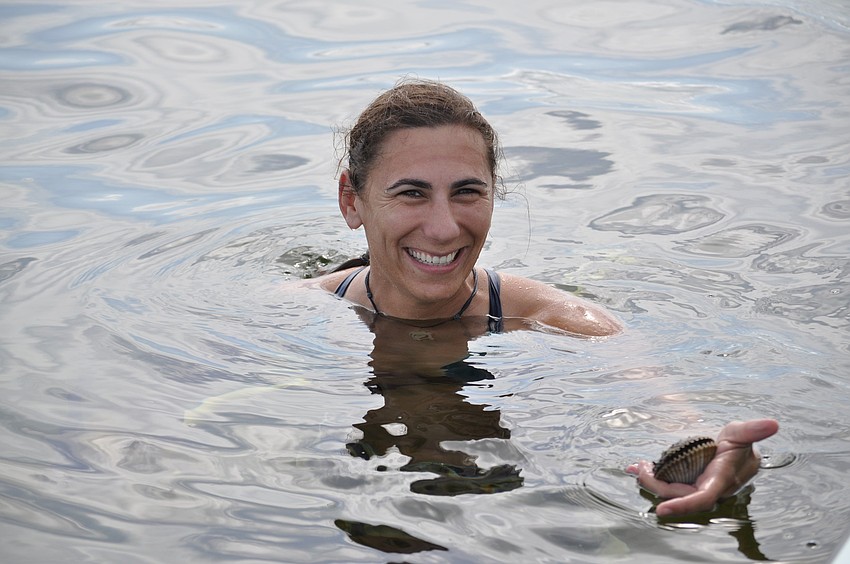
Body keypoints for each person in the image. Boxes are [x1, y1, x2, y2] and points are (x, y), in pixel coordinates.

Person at [306, 78, 778, 516]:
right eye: (411, 193)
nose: (445, 227)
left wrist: (711, 452)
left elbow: (657, 396)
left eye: (467, 192)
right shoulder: (297, 307)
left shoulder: (556, 317)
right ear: (352, 201)